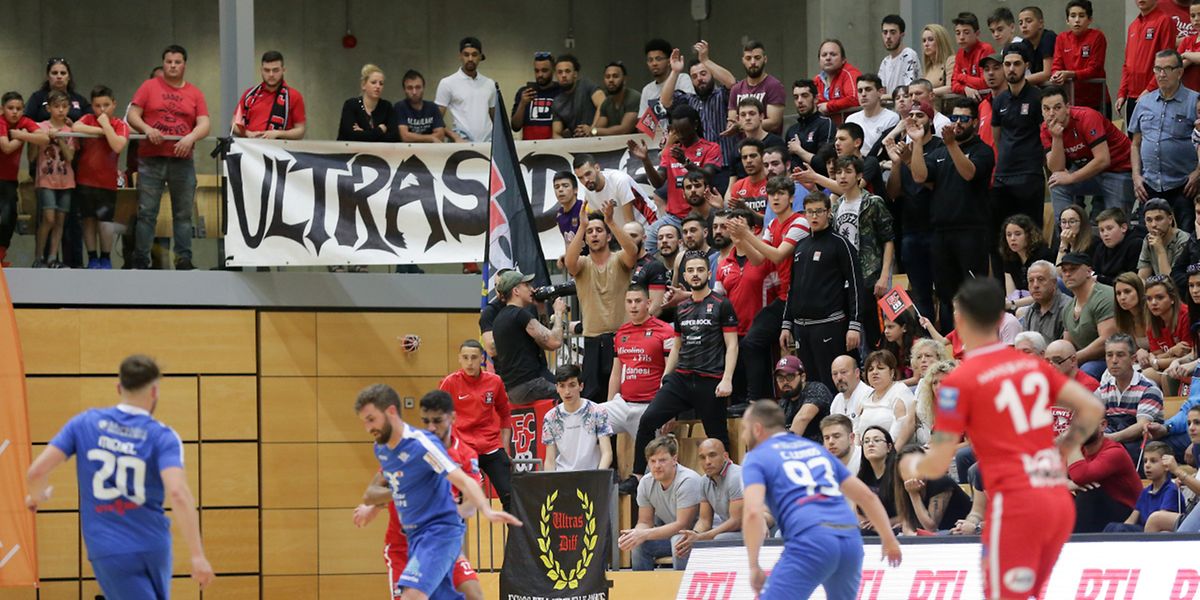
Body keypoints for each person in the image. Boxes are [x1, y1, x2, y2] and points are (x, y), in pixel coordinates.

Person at [899, 277, 1104, 600]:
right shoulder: (1032, 366)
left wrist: (910, 464)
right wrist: (1062, 448)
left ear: (959, 320)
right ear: (999, 318)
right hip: (1055, 503)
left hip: (1016, 507)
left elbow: (937, 461)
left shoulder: (958, 382)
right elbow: (1092, 409)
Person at [25, 355, 215, 596]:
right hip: (155, 544)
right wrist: (197, 555)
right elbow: (178, 492)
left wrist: (36, 496)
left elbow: (36, 471)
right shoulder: (164, 436)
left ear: (118, 388)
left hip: (110, 546)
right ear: (154, 391)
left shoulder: (84, 423)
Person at [354, 384, 521, 599]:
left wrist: (485, 509)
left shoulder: (427, 446)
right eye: (426, 421)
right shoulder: (384, 449)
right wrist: (375, 506)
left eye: (371, 419)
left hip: (437, 532)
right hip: (410, 537)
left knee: (450, 594)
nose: (432, 427)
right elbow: (379, 489)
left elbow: (465, 482)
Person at [740, 400, 902, 599]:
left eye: (744, 429)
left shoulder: (757, 457)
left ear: (757, 429)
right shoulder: (815, 449)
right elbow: (866, 496)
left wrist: (754, 565)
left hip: (811, 539)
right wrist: (888, 538)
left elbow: (753, 513)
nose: (743, 435)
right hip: (850, 539)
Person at [632, 252, 737, 479]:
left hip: (710, 379)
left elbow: (732, 345)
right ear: (685, 276)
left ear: (708, 273)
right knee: (648, 420)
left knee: (717, 437)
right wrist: (665, 378)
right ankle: (637, 477)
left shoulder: (722, 304)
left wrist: (727, 379)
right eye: (690, 271)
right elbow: (677, 347)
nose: (695, 274)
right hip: (681, 378)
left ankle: (728, 482)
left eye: (700, 270)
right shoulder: (681, 307)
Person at [908, 98, 996, 332]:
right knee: (946, 296)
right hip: (940, 233)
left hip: (971, 232)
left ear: (975, 122)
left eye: (964, 119)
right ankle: (950, 342)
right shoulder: (939, 151)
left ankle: (975, 342)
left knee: (972, 293)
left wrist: (951, 145)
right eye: (954, 118)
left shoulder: (983, 151)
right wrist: (917, 143)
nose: (957, 123)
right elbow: (919, 176)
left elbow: (969, 173)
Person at [127, 44, 210, 271]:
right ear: (163, 64)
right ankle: (140, 260)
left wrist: (190, 137)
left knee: (183, 214)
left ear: (184, 65)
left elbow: (204, 123)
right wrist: (147, 129)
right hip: (151, 158)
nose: (173, 66)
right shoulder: (149, 86)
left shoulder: (195, 93)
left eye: (177, 62)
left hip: (182, 159)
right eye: (169, 62)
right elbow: (132, 114)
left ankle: (183, 259)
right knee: (147, 212)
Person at [726, 176, 810, 399]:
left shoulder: (800, 222)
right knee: (751, 342)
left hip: (800, 297)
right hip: (783, 297)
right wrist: (741, 240)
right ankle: (756, 399)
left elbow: (778, 254)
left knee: (794, 349)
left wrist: (746, 234)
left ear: (791, 198)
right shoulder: (772, 225)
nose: (775, 198)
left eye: (781, 193)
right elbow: (757, 260)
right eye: (771, 194)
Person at [780, 192, 862, 392]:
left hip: (829, 325)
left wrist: (855, 324)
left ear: (828, 212)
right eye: (810, 212)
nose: (814, 216)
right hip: (801, 328)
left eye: (819, 211)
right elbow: (793, 288)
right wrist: (786, 324)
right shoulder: (800, 246)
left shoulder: (840, 244)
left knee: (833, 384)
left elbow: (856, 285)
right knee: (811, 386)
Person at [565, 202, 638, 402]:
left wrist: (611, 221)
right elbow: (569, 263)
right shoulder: (582, 264)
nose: (594, 235)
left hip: (622, 338)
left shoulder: (619, 259)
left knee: (623, 397)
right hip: (592, 340)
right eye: (590, 232)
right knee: (593, 398)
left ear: (608, 236)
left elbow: (633, 251)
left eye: (599, 230)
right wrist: (581, 227)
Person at [628, 105, 722, 256]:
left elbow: (708, 176)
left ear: (695, 125)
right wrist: (646, 161)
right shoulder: (671, 151)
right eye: (677, 131)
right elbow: (658, 183)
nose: (681, 135)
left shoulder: (711, 148)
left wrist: (686, 162)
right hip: (673, 218)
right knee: (644, 247)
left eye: (684, 130)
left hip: (702, 217)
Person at [610, 285, 675, 494]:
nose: (633, 306)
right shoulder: (621, 333)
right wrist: (609, 404)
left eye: (638, 301)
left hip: (650, 406)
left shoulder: (665, 331)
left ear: (648, 303)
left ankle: (640, 485)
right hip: (623, 404)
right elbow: (615, 374)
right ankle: (603, 475)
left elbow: (671, 372)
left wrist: (668, 410)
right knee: (590, 421)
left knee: (652, 468)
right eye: (629, 301)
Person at [1041, 85, 1135, 222]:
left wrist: (1072, 177)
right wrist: (1057, 138)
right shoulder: (1046, 128)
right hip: (1090, 171)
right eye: (1046, 109)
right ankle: (1066, 232)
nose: (1051, 114)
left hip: (1119, 170)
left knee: (1115, 223)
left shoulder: (1087, 117)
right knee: (1057, 184)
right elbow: (1057, 169)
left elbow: (1103, 160)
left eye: (1057, 108)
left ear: (1067, 108)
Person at [1130, 50, 1200, 233]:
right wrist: (1136, 176)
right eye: (1158, 69)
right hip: (1150, 185)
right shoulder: (1144, 102)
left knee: (1185, 239)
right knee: (1147, 238)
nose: (1162, 74)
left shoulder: (1195, 101)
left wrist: (1198, 173)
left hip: (1184, 185)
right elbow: (1135, 144)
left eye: (1168, 69)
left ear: (1180, 72)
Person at [439, 339, 513, 512]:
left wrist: (504, 447)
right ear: (459, 359)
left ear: (482, 358)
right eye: (465, 357)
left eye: (474, 357)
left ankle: (515, 531)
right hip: (463, 449)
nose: (469, 362)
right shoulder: (450, 382)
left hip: (491, 447)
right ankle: (454, 530)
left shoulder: (495, 381)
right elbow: (439, 417)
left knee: (511, 496)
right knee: (457, 500)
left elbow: (505, 414)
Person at [883, 103, 939, 319]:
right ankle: (926, 336)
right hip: (910, 230)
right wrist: (897, 164)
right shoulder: (902, 149)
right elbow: (893, 192)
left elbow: (933, 184)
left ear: (930, 121)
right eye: (910, 115)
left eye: (920, 115)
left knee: (944, 292)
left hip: (937, 228)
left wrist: (908, 160)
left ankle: (947, 335)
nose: (914, 118)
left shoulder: (940, 147)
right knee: (920, 295)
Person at [619, 435, 703, 571]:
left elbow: (683, 525)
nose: (657, 466)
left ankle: (681, 584)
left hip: (699, 535)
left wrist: (644, 534)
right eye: (652, 461)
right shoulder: (646, 482)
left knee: (679, 541)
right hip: (671, 535)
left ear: (674, 459)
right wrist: (635, 534)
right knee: (638, 544)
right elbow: (645, 522)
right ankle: (643, 585)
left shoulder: (687, 480)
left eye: (662, 460)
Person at [69, 85, 129, 270]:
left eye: (106, 105)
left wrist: (106, 125)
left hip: (107, 183)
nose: (102, 110)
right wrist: (102, 130)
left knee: (105, 222)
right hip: (85, 180)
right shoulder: (88, 119)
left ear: (114, 104)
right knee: (88, 220)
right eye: (97, 106)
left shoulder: (120, 125)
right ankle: (92, 257)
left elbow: (117, 145)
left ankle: (106, 258)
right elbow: (75, 127)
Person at [491, 270, 567, 405]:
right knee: (570, 394)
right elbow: (554, 342)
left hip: (514, 389)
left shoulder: (499, 318)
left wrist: (541, 308)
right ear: (516, 291)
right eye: (526, 285)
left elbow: (544, 342)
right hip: (530, 384)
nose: (532, 289)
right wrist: (558, 312)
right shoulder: (520, 314)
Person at [991, 43, 1045, 228]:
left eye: (1016, 64)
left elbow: (1045, 135)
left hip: (1029, 174)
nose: (1011, 69)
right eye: (1007, 64)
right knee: (1004, 232)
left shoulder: (1037, 97)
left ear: (1026, 65)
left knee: (1031, 231)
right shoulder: (999, 100)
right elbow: (997, 137)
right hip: (1003, 174)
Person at [660, 43, 737, 165]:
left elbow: (732, 83)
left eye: (703, 73)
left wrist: (705, 60)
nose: (699, 78)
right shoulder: (689, 100)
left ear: (712, 74)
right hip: (699, 166)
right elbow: (665, 101)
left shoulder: (722, 95)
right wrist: (675, 72)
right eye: (694, 76)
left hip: (726, 164)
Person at [1066, 418, 1145, 532]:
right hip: (1097, 512)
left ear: (1103, 425)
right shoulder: (1079, 451)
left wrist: (1071, 443)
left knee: (1089, 492)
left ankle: (1074, 539)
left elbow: (1080, 476)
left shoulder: (1114, 452)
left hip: (1128, 516)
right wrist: (1069, 484)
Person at [1095, 333, 1166, 462]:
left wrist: (1110, 439)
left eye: (1120, 355)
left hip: (1141, 451)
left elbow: (1142, 426)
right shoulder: (1102, 390)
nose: (1114, 360)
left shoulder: (1149, 389)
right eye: (1109, 355)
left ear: (1133, 359)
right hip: (1112, 450)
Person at [674, 438, 745, 561]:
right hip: (732, 530)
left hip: (756, 529)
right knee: (680, 541)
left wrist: (702, 537)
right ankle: (684, 574)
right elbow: (704, 521)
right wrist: (694, 535)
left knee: (720, 539)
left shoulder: (736, 477)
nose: (707, 462)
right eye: (702, 457)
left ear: (725, 456)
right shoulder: (704, 481)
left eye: (712, 455)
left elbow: (736, 521)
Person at [30, 91, 76, 269]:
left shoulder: (71, 130)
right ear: (49, 108)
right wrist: (42, 139)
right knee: (48, 218)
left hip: (66, 180)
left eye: (64, 106)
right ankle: (38, 256)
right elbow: (32, 156)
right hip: (46, 179)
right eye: (56, 106)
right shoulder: (39, 127)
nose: (61, 110)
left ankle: (52, 257)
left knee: (60, 220)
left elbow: (70, 157)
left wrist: (60, 139)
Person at [542, 365, 613, 472]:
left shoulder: (598, 411)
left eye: (572, 385)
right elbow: (550, 460)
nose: (567, 391)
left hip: (592, 474)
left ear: (581, 386)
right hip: (562, 475)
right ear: (557, 388)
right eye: (562, 386)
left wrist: (598, 476)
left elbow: (607, 453)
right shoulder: (550, 417)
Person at [0, 92, 43, 267]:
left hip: (9, 180)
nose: (14, 112)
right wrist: (22, 136)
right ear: (2, 109)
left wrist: (22, 134)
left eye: (18, 108)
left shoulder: (24, 122)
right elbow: (6, 147)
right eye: (10, 108)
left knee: (9, 216)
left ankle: (1, 254)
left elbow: (44, 138)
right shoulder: (1, 122)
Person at [1059, 252, 1118, 378]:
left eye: (1073, 269)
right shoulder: (1068, 308)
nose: (1068, 274)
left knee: (1087, 370)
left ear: (1088, 271)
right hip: (1081, 361)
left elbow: (1107, 340)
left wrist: (1072, 359)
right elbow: (1067, 345)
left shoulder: (1105, 296)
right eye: (1064, 270)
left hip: (1111, 359)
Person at [1118, 0, 1178, 123]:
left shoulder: (1164, 21)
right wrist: (1122, 93)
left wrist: (1149, 90)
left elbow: (1167, 62)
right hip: (1132, 97)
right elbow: (1127, 63)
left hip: (1155, 95)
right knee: (1133, 135)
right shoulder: (1133, 26)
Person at [1103, 441, 1181, 532]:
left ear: (1166, 466)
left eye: (1153, 461)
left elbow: (1162, 523)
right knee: (1111, 527)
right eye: (1145, 461)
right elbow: (1131, 520)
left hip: (1154, 534)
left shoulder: (1171, 490)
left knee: (1120, 529)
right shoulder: (1145, 491)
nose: (1147, 465)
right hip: (1142, 531)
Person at [893, 446, 973, 535]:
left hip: (960, 532)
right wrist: (911, 534)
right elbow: (906, 522)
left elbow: (931, 528)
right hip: (937, 535)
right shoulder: (903, 486)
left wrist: (913, 494)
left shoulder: (939, 481)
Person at [231, 51, 306, 139]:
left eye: (275, 70)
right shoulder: (249, 94)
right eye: (267, 70)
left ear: (283, 70)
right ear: (261, 70)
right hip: (250, 145)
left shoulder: (294, 96)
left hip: (279, 146)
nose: (271, 74)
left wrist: (278, 134)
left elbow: (300, 131)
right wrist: (248, 133)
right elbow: (234, 124)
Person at [1050, 0, 1109, 114]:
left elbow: (1095, 69)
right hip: (1071, 101)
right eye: (1073, 16)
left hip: (1096, 101)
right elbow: (1056, 65)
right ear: (1067, 20)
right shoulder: (1061, 38)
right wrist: (1056, 75)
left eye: (1081, 16)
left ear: (1090, 20)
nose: (1077, 20)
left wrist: (1071, 74)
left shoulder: (1097, 37)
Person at [435, 37, 496, 143]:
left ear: (480, 56)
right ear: (460, 56)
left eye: (474, 54)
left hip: (488, 142)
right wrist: (455, 137)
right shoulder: (447, 83)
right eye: (466, 55)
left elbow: (495, 118)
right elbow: (436, 119)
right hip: (462, 142)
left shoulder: (490, 84)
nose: (470, 59)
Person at [1140, 276, 1191, 388]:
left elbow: (1188, 357)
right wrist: (1171, 352)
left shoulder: (1186, 316)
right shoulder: (1151, 321)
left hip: (1187, 368)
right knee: (1145, 375)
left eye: (1159, 297)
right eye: (1149, 299)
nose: (1153, 303)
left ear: (1172, 298)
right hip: (1166, 368)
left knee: (1166, 376)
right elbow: (1157, 354)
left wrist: (1155, 361)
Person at [856, 350, 915, 446]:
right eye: (870, 369)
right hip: (866, 450)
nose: (874, 372)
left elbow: (905, 428)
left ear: (892, 372)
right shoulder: (865, 396)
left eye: (880, 368)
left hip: (892, 450)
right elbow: (857, 432)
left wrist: (891, 452)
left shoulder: (900, 391)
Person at [729, 40, 787, 134]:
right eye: (748, 58)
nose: (753, 62)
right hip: (743, 142)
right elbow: (732, 122)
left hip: (768, 142)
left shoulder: (774, 86)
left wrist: (741, 125)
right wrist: (733, 125)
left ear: (765, 59)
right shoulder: (736, 89)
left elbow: (774, 123)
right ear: (743, 60)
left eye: (757, 58)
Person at [772, 355, 833, 441]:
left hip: (821, 447)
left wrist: (785, 444)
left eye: (790, 376)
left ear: (803, 377)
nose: (785, 382)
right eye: (780, 378)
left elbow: (803, 418)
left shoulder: (816, 389)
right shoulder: (783, 402)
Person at [1000, 215, 1054, 307]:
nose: (1012, 238)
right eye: (1009, 235)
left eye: (1017, 234)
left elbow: (1043, 294)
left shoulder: (1043, 255)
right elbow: (1011, 294)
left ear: (1029, 235)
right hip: (1019, 304)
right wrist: (1011, 303)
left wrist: (1012, 304)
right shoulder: (1009, 257)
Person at [729, 99, 785, 182]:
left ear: (761, 116)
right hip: (742, 189)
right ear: (738, 119)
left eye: (752, 114)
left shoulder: (776, 143)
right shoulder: (736, 148)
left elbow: (785, 175)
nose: (747, 118)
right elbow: (732, 181)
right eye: (743, 115)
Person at [785, 80, 836, 170]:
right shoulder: (791, 130)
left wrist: (798, 150)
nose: (799, 101)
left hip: (818, 177)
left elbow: (823, 164)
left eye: (804, 96)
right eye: (796, 97)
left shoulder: (825, 124)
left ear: (816, 99)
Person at [845, 73, 899, 158]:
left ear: (880, 92)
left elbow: (884, 149)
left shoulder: (891, 118)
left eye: (868, 89)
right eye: (860, 91)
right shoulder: (851, 119)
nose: (863, 94)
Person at [550, 54, 604, 138]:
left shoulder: (585, 84)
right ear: (556, 76)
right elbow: (556, 133)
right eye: (560, 72)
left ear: (575, 74)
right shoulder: (557, 102)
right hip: (576, 142)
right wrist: (567, 144)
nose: (563, 75)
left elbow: (603, 104)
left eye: (567, 71)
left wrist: (592, 129)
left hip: (598, 137)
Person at [639, 38, 695, 118]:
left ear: (669, 61)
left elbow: (690, 108)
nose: (654, 63)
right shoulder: (647, 90)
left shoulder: (682, 79)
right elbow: (642, 120)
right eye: (650, 60)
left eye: (658, 59)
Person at [510, 51, 559, 140]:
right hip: (529, 145)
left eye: (544, 70)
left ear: (553, 70)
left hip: (555, 144)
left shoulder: (560, 92)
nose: (540, 74)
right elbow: (515, 127)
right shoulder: (525, 92)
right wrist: (522, 104)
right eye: (537, 71)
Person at [338, 64, 393, 143]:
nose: (378, 86)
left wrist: (363, 133)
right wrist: (379, 130)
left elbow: (393, 137)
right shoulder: (351, 105)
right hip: (350, 150)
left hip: (379, 151)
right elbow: (351, 136)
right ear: (363, 85)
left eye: (381, 83)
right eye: (373, 82)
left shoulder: (386, 106)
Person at [393, 70, 451, 143]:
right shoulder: (400, 107)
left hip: (430, 149)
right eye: (410, 88)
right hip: (408, 149)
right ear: (404, 90)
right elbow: (405, 136)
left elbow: (440, 136)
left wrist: (415, 137)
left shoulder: (432, 107)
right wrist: (431, 138)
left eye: (418, 87)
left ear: (423, 88)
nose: (414, 92)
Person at [1141, 198, 1193, 278]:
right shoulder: (1148, 239)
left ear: (1170, 219)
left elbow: (1171, 281)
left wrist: (1160, 250)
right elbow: (1142, 278)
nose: (1153, 225)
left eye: (1158, 219)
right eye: (1149, 220)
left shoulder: (1184, 240)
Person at [1021, 260, 1072, 341]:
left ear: (1054, 283)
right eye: (1031, 281)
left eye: (1041, 279)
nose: (1035, 285)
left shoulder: (1068, 308)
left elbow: (1066, 346)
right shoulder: (1030, 311)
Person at [813, 39, 862, 122]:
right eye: (824, 55)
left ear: (843, 60)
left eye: (833, 54)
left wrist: (828, 106)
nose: (828, 58)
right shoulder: (817, 80)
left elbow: (855, 99)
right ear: (819, 60)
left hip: (849, 126)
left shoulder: (850, 73)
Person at [950, 12, 996, 100]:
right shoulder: (959, 53)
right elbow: (953, 85)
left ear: (977, 33)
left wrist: (961, 77)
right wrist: (964, 88)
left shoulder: (985, 49)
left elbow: (985, 83)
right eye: (958, 33)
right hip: (969, 100)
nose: (961, 37)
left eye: (966, 32)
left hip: (987, 99)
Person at [1093, 208, 1145, 285]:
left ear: (1123, 228)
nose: (1105, 234)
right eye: (1102, 230)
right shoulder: (1100, 247)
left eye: (1109, 228)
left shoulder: (1135, 244)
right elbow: (1095, 273)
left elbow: (1131, 281)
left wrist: (1101, 279)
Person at [879, 14, 922, 96]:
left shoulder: (909, 55)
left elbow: (908, 90)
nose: (888, 36)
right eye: (885, 32)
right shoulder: (885, 62)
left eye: (893, 32)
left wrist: (884, 97)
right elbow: (881, 91)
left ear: (902, 35)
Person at [594, 61, 640, 136]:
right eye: (607, 77)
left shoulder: (634, 97)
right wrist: (589, 131)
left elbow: (625, 129)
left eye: (615, 76)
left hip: (636, 142)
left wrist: (593, 131)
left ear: (624, 79)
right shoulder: (606, 103)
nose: (611, 80)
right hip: (614, 142)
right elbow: (599, 127)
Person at [830, 355, 873, 432]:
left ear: (857, 373)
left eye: (843, 372)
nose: (839, 378)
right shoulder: (836, 400)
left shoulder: (869, 395)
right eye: (835, 374)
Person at [1018, 6, 1057, 86]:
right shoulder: (1025, 43)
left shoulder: (1048, 37)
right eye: (1020, 23)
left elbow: (1047, 74)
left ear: (1040, 24)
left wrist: (1017, 82)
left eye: (1028, 21)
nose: (1024, 26)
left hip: (1056, 86)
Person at [1114, 272, 1152, 347]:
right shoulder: (1122, 321)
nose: (1122, 297)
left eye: (1127, 291)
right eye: (1118, 293)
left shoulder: (1153, 314)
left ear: (1139, 291)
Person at [921, 24, 956, 95]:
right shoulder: (928, 67)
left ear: (941, 41)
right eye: (924, 41)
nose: (926, 44)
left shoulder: (951, 61)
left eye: (930, 40)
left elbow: (951, 88)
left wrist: (926, 93)